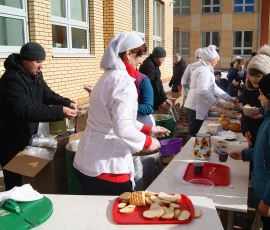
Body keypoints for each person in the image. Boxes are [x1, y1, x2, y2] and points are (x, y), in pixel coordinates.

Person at [73, 32, 169, 196]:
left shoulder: (107, 77)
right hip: (108, 167)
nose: (141, 60)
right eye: (139, 55)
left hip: (86, 160)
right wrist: (149, 142)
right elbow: (122, 127)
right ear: (127, 53)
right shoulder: (123, 81)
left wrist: (150, 130)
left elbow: (119, 118)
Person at [0, 42, 77, 190]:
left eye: (42, 62)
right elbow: (24, 111)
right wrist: (59, 111)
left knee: (27, 179)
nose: (41, 66)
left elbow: (47, 95)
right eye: (38, 62)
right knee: (16, 183)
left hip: (26, 137)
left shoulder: (34, 75)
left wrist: (67, 102)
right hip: (11, 142)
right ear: (25, 61)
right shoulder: (11, 80)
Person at [229, 73, 270, 229]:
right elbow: (263, 151)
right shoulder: (267, 119)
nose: (259, 98)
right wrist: (245, 154)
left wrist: (267, 201)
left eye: (261, 94)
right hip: (262, 190)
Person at [184, 45, 237, 137]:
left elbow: (213, 87)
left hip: (197, 106)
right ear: (212, 59)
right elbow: (202, 91)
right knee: (194, 134)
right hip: (195, 107)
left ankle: (196, 149)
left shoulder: (206, 69)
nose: (217, 62)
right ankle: (192, 150)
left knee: (196, 133)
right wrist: (216, 102)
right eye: (216, 60)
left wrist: (229, 99)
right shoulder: (203, 70)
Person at [139, 47, 172, 111]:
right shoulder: (149, 65)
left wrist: (165, 98)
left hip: (153, 99)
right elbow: (152, 85)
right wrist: (160, 102)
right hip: (147, 100)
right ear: (158, 57)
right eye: (163, 57)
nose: (164, 60)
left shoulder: (155, 65)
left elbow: (159, 83)